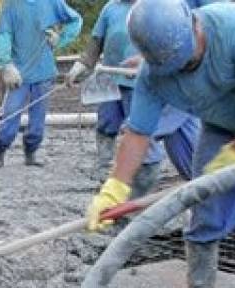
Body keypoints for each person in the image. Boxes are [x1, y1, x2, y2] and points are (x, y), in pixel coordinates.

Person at [86, 0, 235, 288]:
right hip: (221, 122)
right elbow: (137, 134)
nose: (184, 69)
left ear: (193, 24)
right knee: (205, 201)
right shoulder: (153, 76)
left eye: (188, 61)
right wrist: (115, 187)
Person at [66, 0, 199, 197]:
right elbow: (97, 40)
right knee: (106, 123)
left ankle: (136, 182)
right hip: (109, 79)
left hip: (138, 84)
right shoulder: (111, 8)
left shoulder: (155, 10)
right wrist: (84, 63)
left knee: (138, 130)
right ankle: (106, 167)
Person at [0, 0, 82, 170]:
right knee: (10, 115)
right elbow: (4, 35)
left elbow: (75, 20)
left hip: (44, 72)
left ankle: (31, 152)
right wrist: (6, 63)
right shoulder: (11, 6)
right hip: (18, 75)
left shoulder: (53, 2)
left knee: (38, 121)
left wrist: (60, 38)